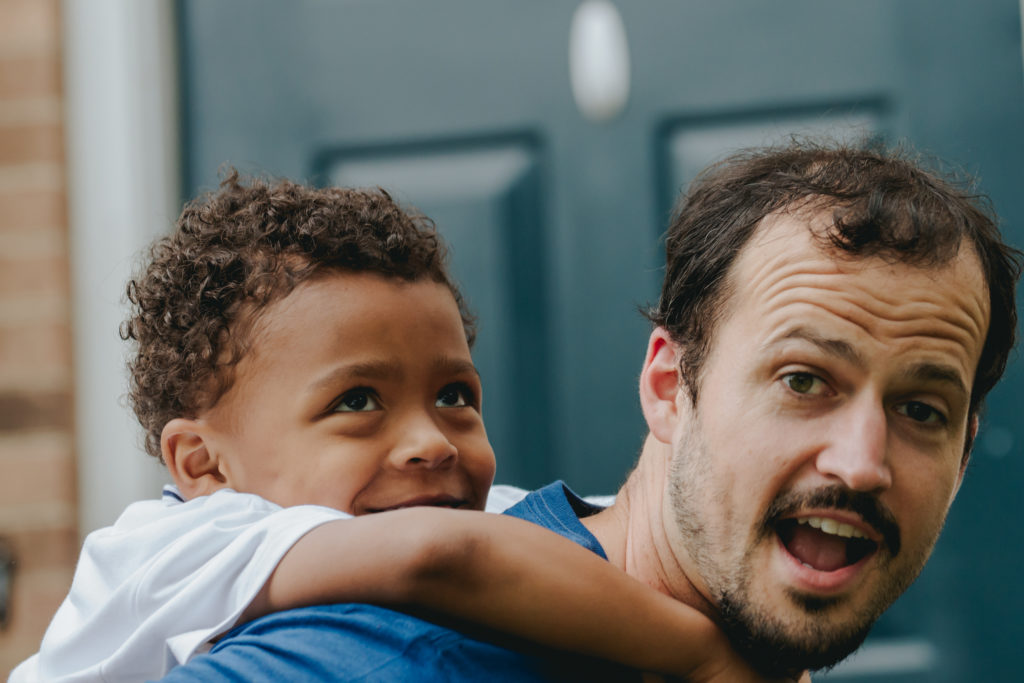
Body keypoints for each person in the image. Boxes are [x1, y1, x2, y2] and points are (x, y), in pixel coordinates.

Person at [158, 140, 1021, 681]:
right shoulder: (385, 657)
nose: (862, 461)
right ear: (667, 386)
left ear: (965, 451)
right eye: (803, 380)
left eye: (921, 408)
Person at [11, 174, 772, 683]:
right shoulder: (178, 549)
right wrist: (703, 656)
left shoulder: (441, 517)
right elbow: (438, 561)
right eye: (357, 402)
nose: (431, 441)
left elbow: (608, 532)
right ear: (204, 464)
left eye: (453, 394)